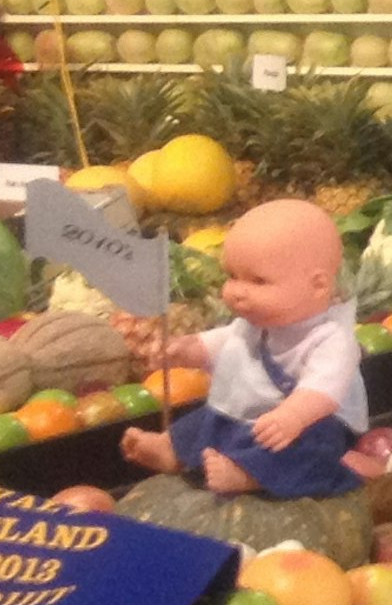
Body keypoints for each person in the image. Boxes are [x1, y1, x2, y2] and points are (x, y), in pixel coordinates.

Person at [118, 199, 365, 497]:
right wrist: (184, 350)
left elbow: (323, 389)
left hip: (311, 423)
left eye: (258, 280)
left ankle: (248, 475)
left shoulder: (331, 339)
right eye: (232, 276)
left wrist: (294, 416)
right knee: (210, 419)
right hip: (260, 418)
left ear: (318, 286)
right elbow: (220, 344)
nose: (236, 291)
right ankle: (172, 449)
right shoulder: (254, 326)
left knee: (301, 450)